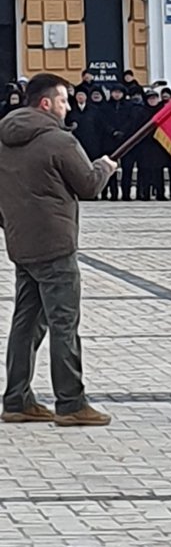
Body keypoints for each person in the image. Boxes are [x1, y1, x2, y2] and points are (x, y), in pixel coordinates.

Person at [0, 73, 117, 426]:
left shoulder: (3, 137)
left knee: (26, 322)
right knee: (63, 322)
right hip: (55, 244)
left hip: (22, 243)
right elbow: (88, 185)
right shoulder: (58, 140)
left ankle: (17, 399)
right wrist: (105, 167)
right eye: (64, 101)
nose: (68, 107)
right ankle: (71, 402)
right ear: (46, 103)